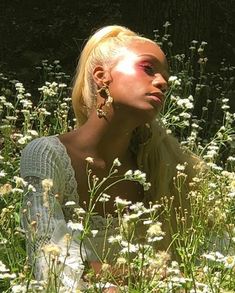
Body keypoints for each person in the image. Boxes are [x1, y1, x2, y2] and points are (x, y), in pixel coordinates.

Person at [20, 25, 200, 292]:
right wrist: (137, 275)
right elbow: (50, 262)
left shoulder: (165, 167)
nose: (162, 82)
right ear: (102, 77)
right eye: (148, 68)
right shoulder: (46, 155)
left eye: (166, 78)